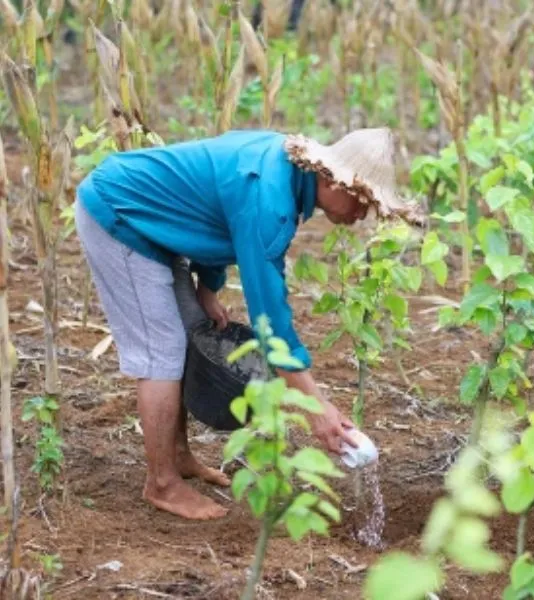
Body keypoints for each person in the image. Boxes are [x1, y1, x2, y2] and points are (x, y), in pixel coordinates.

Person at [74, 127, 422, 520]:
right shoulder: (269, 199)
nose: (362, 215)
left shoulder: (283, 171)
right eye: (361, 199)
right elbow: (268, 316)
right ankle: (162, 484)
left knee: (190, 332)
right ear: (329, 178)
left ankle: (178, 456)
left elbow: (211, 210)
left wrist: (208, 286)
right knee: (162, 353)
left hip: (156, 220)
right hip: (121, 213)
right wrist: (316, 407)